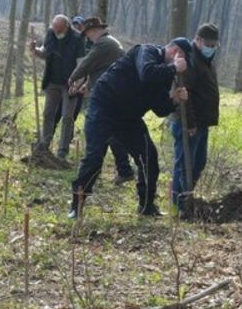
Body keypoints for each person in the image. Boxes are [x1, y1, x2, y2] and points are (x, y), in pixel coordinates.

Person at [69, 39, 191, 218]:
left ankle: (146, 206)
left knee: (148, 157)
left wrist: (175, 100)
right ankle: (76, 205)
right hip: (104, 106)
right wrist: (174, 68)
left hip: (128, 117)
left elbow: (160, 109)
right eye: (183, 60)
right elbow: (146, 74)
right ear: (175, 52)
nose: (182, 67)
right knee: (94, 157)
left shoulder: (165, 74)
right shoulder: (147, 51)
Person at [67, 16, 134, 185]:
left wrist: (72, 78)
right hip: (112, 93)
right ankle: (124, 170)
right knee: (112, 133)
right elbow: (101, 68)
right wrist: (88, 85)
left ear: (94, 31)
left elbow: (88, 63)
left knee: (95, 132)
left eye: (88, 34)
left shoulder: (103, 44)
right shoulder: (110, 43)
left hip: (107, 97)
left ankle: (89, 175)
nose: (88, 38)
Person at [170, 23, 220, 207]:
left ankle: (188, 197)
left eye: (214, 45)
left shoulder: (207, 61)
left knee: (199, 163)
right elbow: (185, 94)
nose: (211, 48)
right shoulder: (190, 60)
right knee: (185, 165)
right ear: (198, 40)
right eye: (208, 44)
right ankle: (179, 203)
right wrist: (190, 123)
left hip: (202, 122)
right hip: (189, 123)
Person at [30, 14, 86, 160]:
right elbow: (45, 52)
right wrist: (35, 50)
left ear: (66, 27)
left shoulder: (78, 39)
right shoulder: (50, 34)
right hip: (52, 81)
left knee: (67, 117)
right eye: (54, 27)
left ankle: (62, 151)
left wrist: (77, 84)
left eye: (58, 29)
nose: (55, 31)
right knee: (48, 114)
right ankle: (44, 145)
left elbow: (81, 63)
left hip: (70, 84)